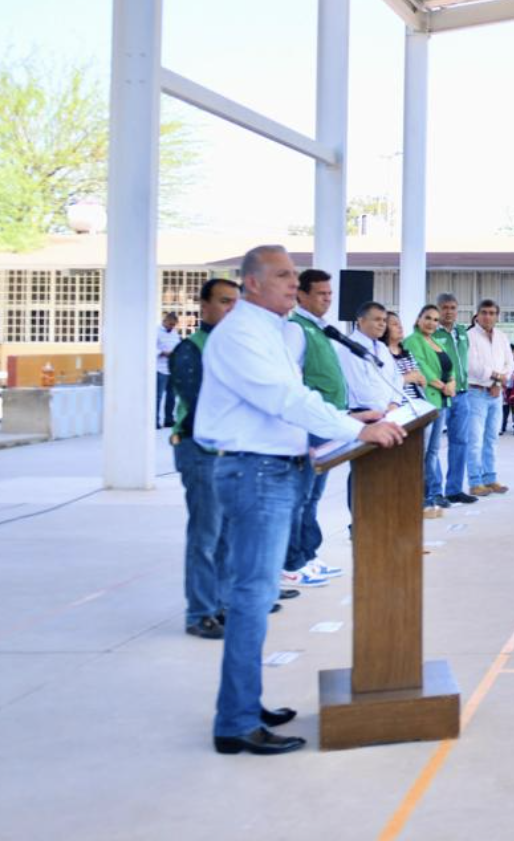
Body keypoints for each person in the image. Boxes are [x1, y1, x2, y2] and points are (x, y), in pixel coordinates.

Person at [195, 245, 403, 755]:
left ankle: (245, 702)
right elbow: (285, 400)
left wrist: (350, 426)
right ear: (252, 284)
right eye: (283, 275)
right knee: (252, 596)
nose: (294, 283)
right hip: (254, 470)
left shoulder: (275, 332)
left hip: (276, 467)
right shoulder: (241, 335)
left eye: (294, 275)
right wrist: (356, 429)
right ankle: (236, 721)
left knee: (255, 595)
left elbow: (294, 402)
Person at [170, 278, 240, 639]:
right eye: (224, 301)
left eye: (235, 303)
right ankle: (200, 612)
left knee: (227, 535)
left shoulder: (234, 348)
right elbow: (201, 410)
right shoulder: (191, 349)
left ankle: (221, 604)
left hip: (230, 453)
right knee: (206, 534)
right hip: (201, 452)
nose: (231, 309)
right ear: (204, 306)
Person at [283, 270, 350, 590]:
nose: (327, 298)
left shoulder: (321, 329)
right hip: (308, 426)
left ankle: (308, 554)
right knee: (301, 495)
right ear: (302, 296)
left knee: (313, 496)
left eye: (329, 293)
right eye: (320, 293)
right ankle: (293, 562)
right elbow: (292, 380)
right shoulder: (297, 329)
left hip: (326, 424)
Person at [406, 305, 456, 514]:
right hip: (427, 400)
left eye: (435, 320)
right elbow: (420, 366)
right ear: (418, 319)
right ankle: (418, 495)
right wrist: (442, 385)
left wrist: (452, 381)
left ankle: (432, 493)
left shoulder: (435, 341)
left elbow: (449, 365)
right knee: (422, 451)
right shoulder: (412, 341)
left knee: (433, 452)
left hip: (442, 402)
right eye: (427, 318)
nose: (432, 323)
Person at [464, 300, 514, 495]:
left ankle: (491, 478)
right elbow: (471, 364)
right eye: (484, 312)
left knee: (491, 438)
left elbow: (510, 363)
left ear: (497, 316)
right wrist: (495, 377)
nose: (488, 316)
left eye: (492, 313)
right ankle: (475, 482)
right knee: (475, 440)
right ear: (477, 315)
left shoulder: (501, 336)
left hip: (496, 394)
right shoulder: (469, 336)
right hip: (476, 392)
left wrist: (499, 383)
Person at [433, 294, 475, 503]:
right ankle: (435, 491)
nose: (449, 311)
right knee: (433, 444)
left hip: (462, 394)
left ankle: (454, 488)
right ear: (438, 309)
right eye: (445, 308)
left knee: (460, 441)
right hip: (440, 395)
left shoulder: (462, 332)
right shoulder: (432, 333)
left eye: (452, 307)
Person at [156, 311, 182, 428]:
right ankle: (154, 421)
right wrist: (162, 353)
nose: (172, 327)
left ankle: (169, 419)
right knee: (158, 396)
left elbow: (178, 345)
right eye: (170, 324)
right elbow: (151, 347)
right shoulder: (155, 332)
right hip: (160, 368)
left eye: (174, 325)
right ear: (165, 321)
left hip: (173, 368)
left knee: (172, 396)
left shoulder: (175, 333)